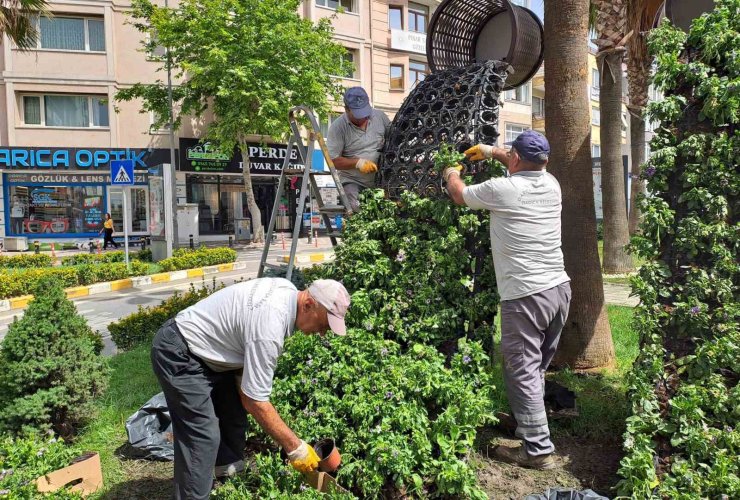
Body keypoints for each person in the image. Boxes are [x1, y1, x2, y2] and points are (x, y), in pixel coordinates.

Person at [151, 278, 351, 499]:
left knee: (234, 413)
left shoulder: (288, 291)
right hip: (181, 352)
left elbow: (243, 340)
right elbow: (255, 401)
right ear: (308, 304)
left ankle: (229, 482)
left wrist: (242, 384)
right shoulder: (270, 326)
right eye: (323, 325)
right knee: (202, 437)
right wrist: (296, 449)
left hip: (212, 354)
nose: (322, 333)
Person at [441, 130, 571, 470]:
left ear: (515, 159)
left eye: (509, 155)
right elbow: (517, 161)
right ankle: (527, 423)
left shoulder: (503, 189)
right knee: (536, 366)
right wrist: (488, 150)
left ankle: (537, 449)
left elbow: (459, 195)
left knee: (522, 370)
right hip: (559, 290)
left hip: (526, 296)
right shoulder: (552, 183)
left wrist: (450, 171)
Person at [327, 86, 391, 212]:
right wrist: (358, 163)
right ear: (346, 109)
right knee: (357, 207)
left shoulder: (380, 117)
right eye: (358, 114)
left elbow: (394, 138)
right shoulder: (338, 128)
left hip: (381, 179)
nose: (363, 118)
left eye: (365, 112)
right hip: (353, 181)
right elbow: (333, 161)